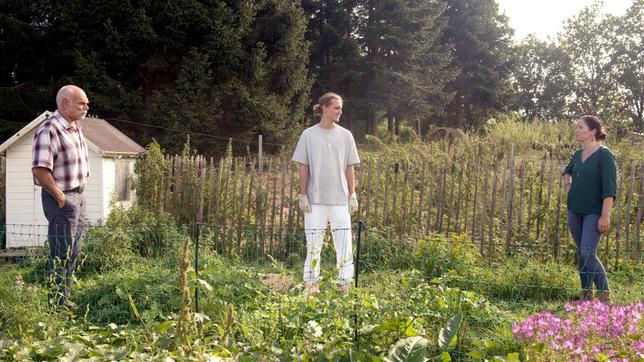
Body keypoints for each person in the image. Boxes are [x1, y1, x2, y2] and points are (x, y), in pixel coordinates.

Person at [292, 92, 360, 295]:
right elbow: (303, 166)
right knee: (313, 243)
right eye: (337, 108)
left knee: (344, 244)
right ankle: (312, 284)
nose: (340, 111)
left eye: (341, 108)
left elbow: (350, 167)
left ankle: (344, 284)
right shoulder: (308, 135)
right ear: (324, 109)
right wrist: (303, 194)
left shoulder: (346, 135)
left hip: (340, 200)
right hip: (315, 201)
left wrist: (352, 194)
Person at [32, 85, 90, 307]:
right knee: (61, 252)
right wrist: (60, 197)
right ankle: (56, 304)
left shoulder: (75, 127)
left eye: (86, 103)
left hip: (78, 195)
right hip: (62, 199)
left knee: (73, 250)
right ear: (65, 103)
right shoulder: (50, 129)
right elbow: (39, 168)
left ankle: (63, 299)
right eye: (81, 103)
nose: (86, 107)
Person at [562, 115, 616, 303]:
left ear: (593, 131)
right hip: (574, 210)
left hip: (594, 212)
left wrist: (605, 216)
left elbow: (609, 189)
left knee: (587, 253)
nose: (576, 130)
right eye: (576, 127)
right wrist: (568, 187)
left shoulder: (605, 155)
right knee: (581, 252)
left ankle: (605, 297)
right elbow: (567, 171)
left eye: (580, 127)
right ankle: (586, 296)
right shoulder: (578, 154)